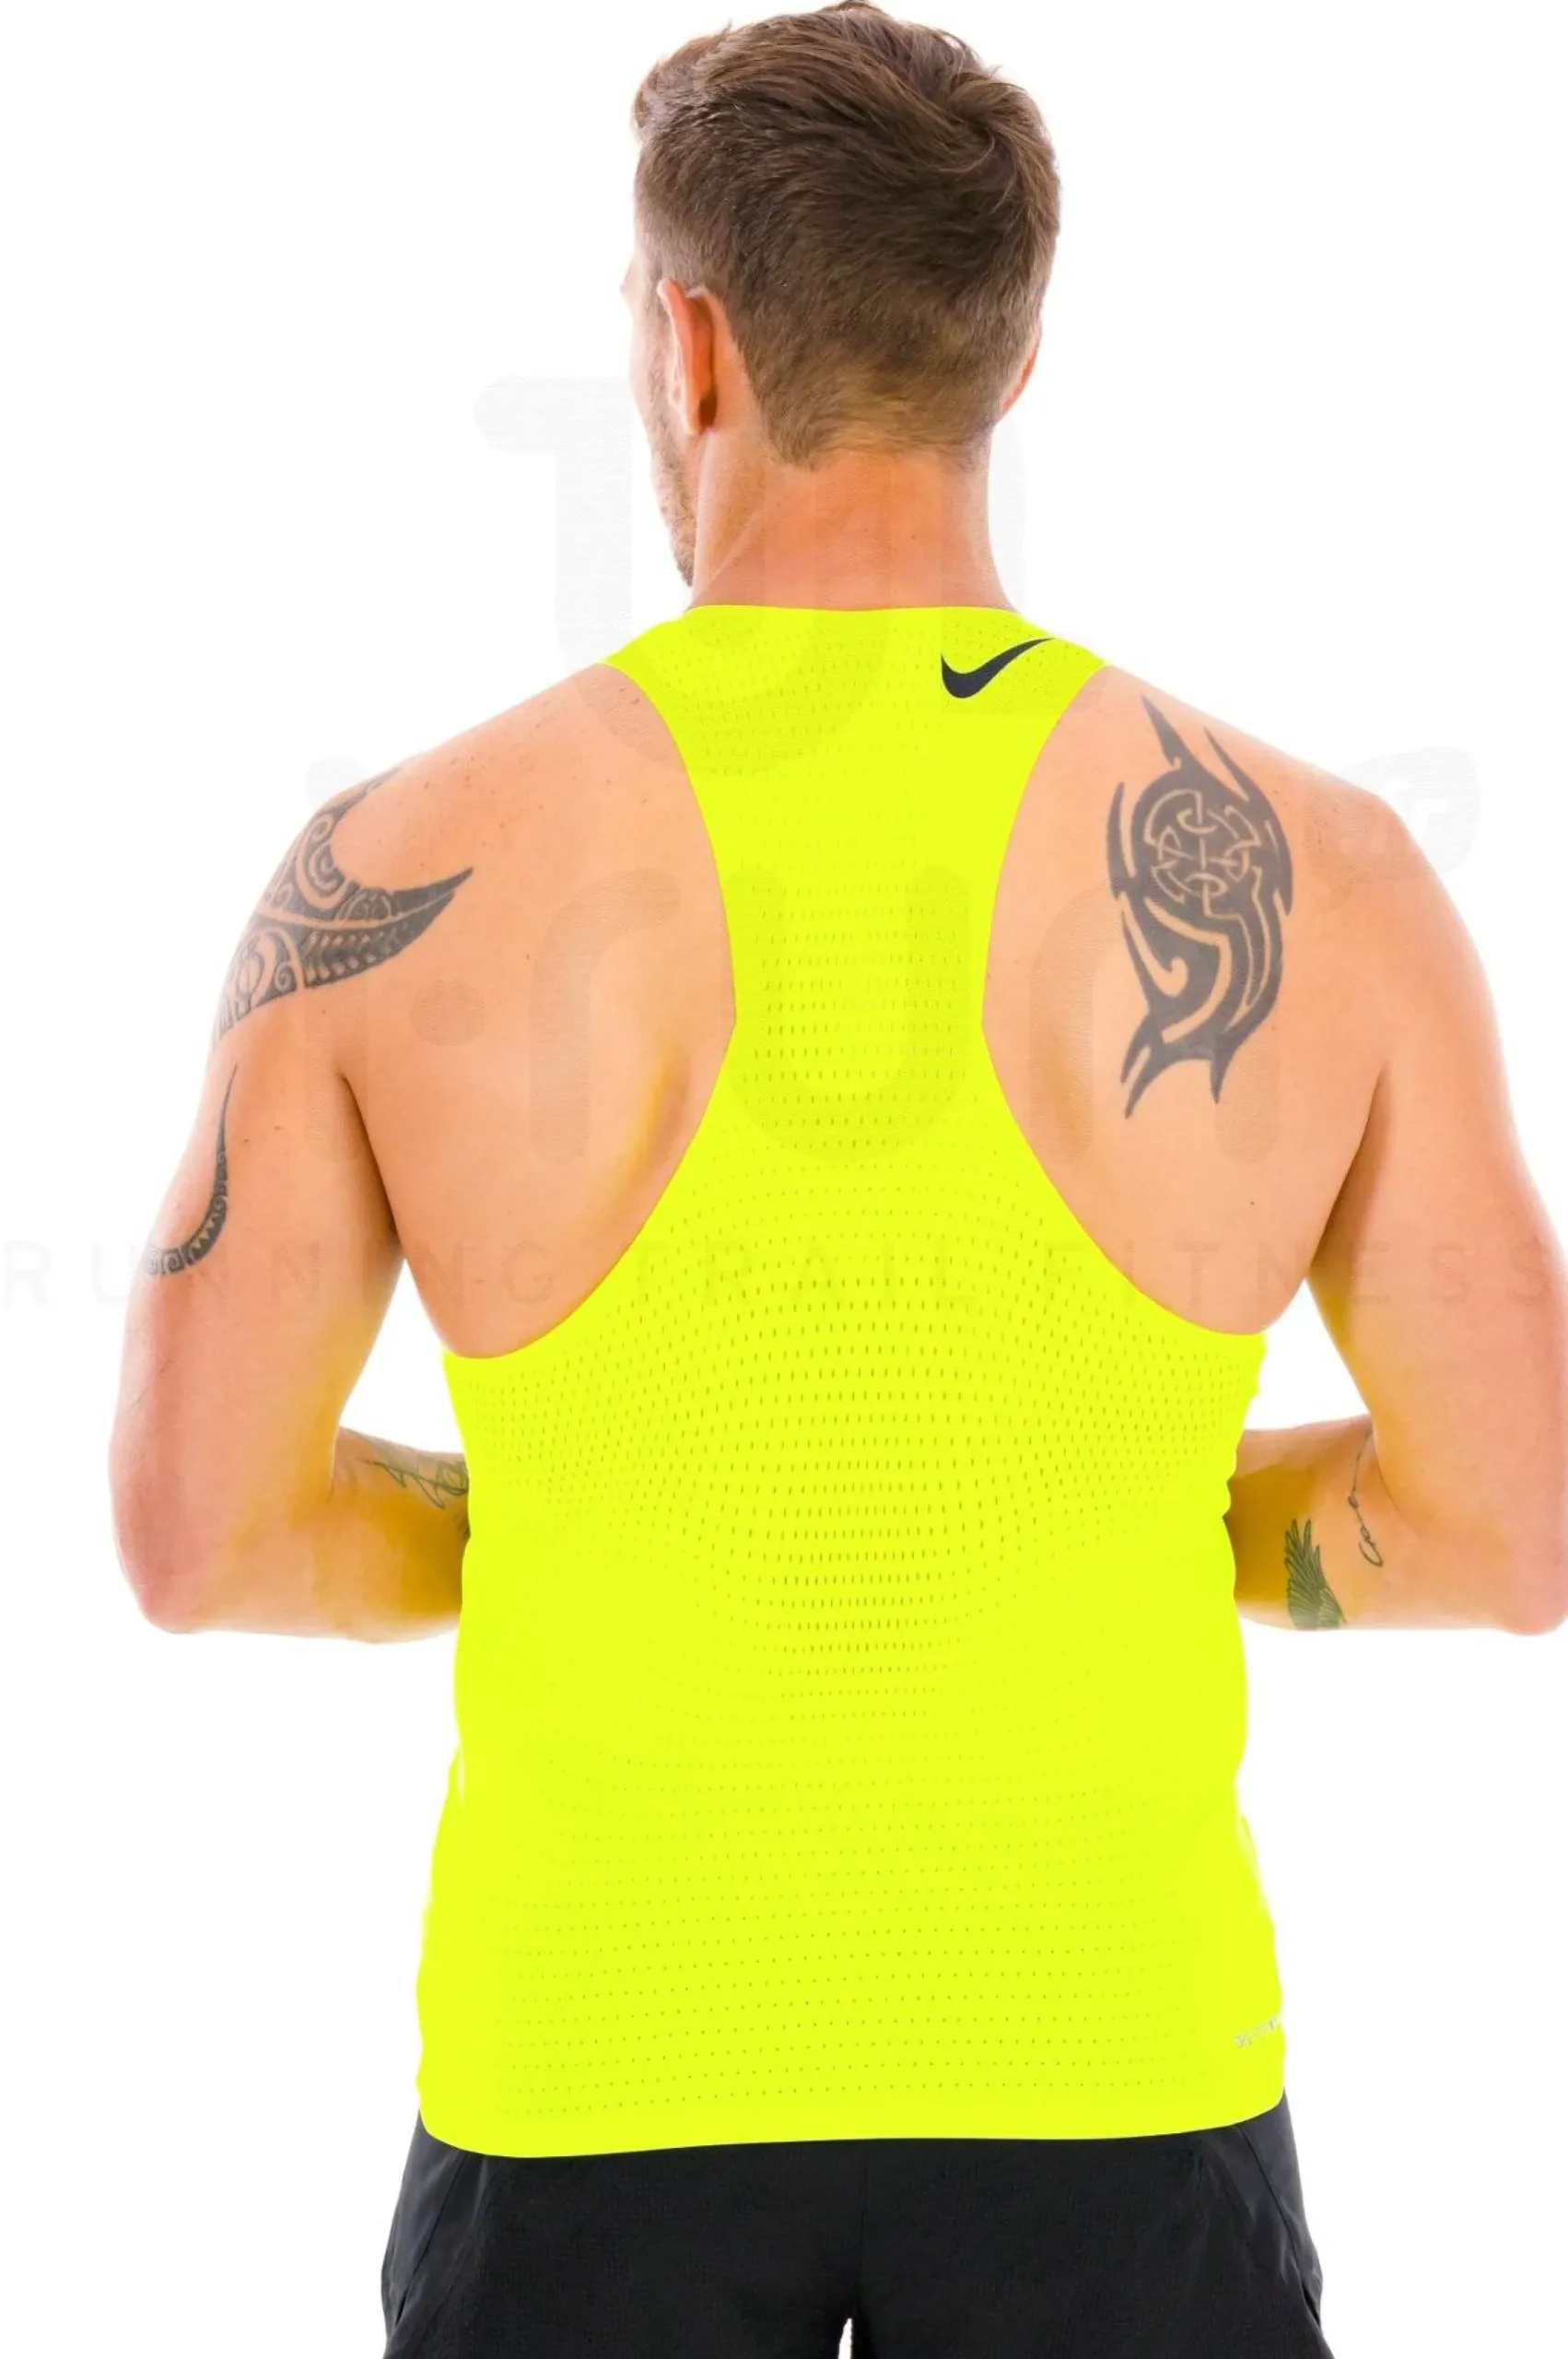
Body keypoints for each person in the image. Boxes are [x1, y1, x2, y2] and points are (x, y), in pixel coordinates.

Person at [108, 5, 1568, 2354]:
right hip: (1115, 2088)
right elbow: (1507, 1528)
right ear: (1013, 355)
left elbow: (201, 1534)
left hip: (585, 2096)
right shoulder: (1330, 872)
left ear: (687, 345)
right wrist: (1103, 1496)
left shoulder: (388, 871)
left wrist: (586, 1515)